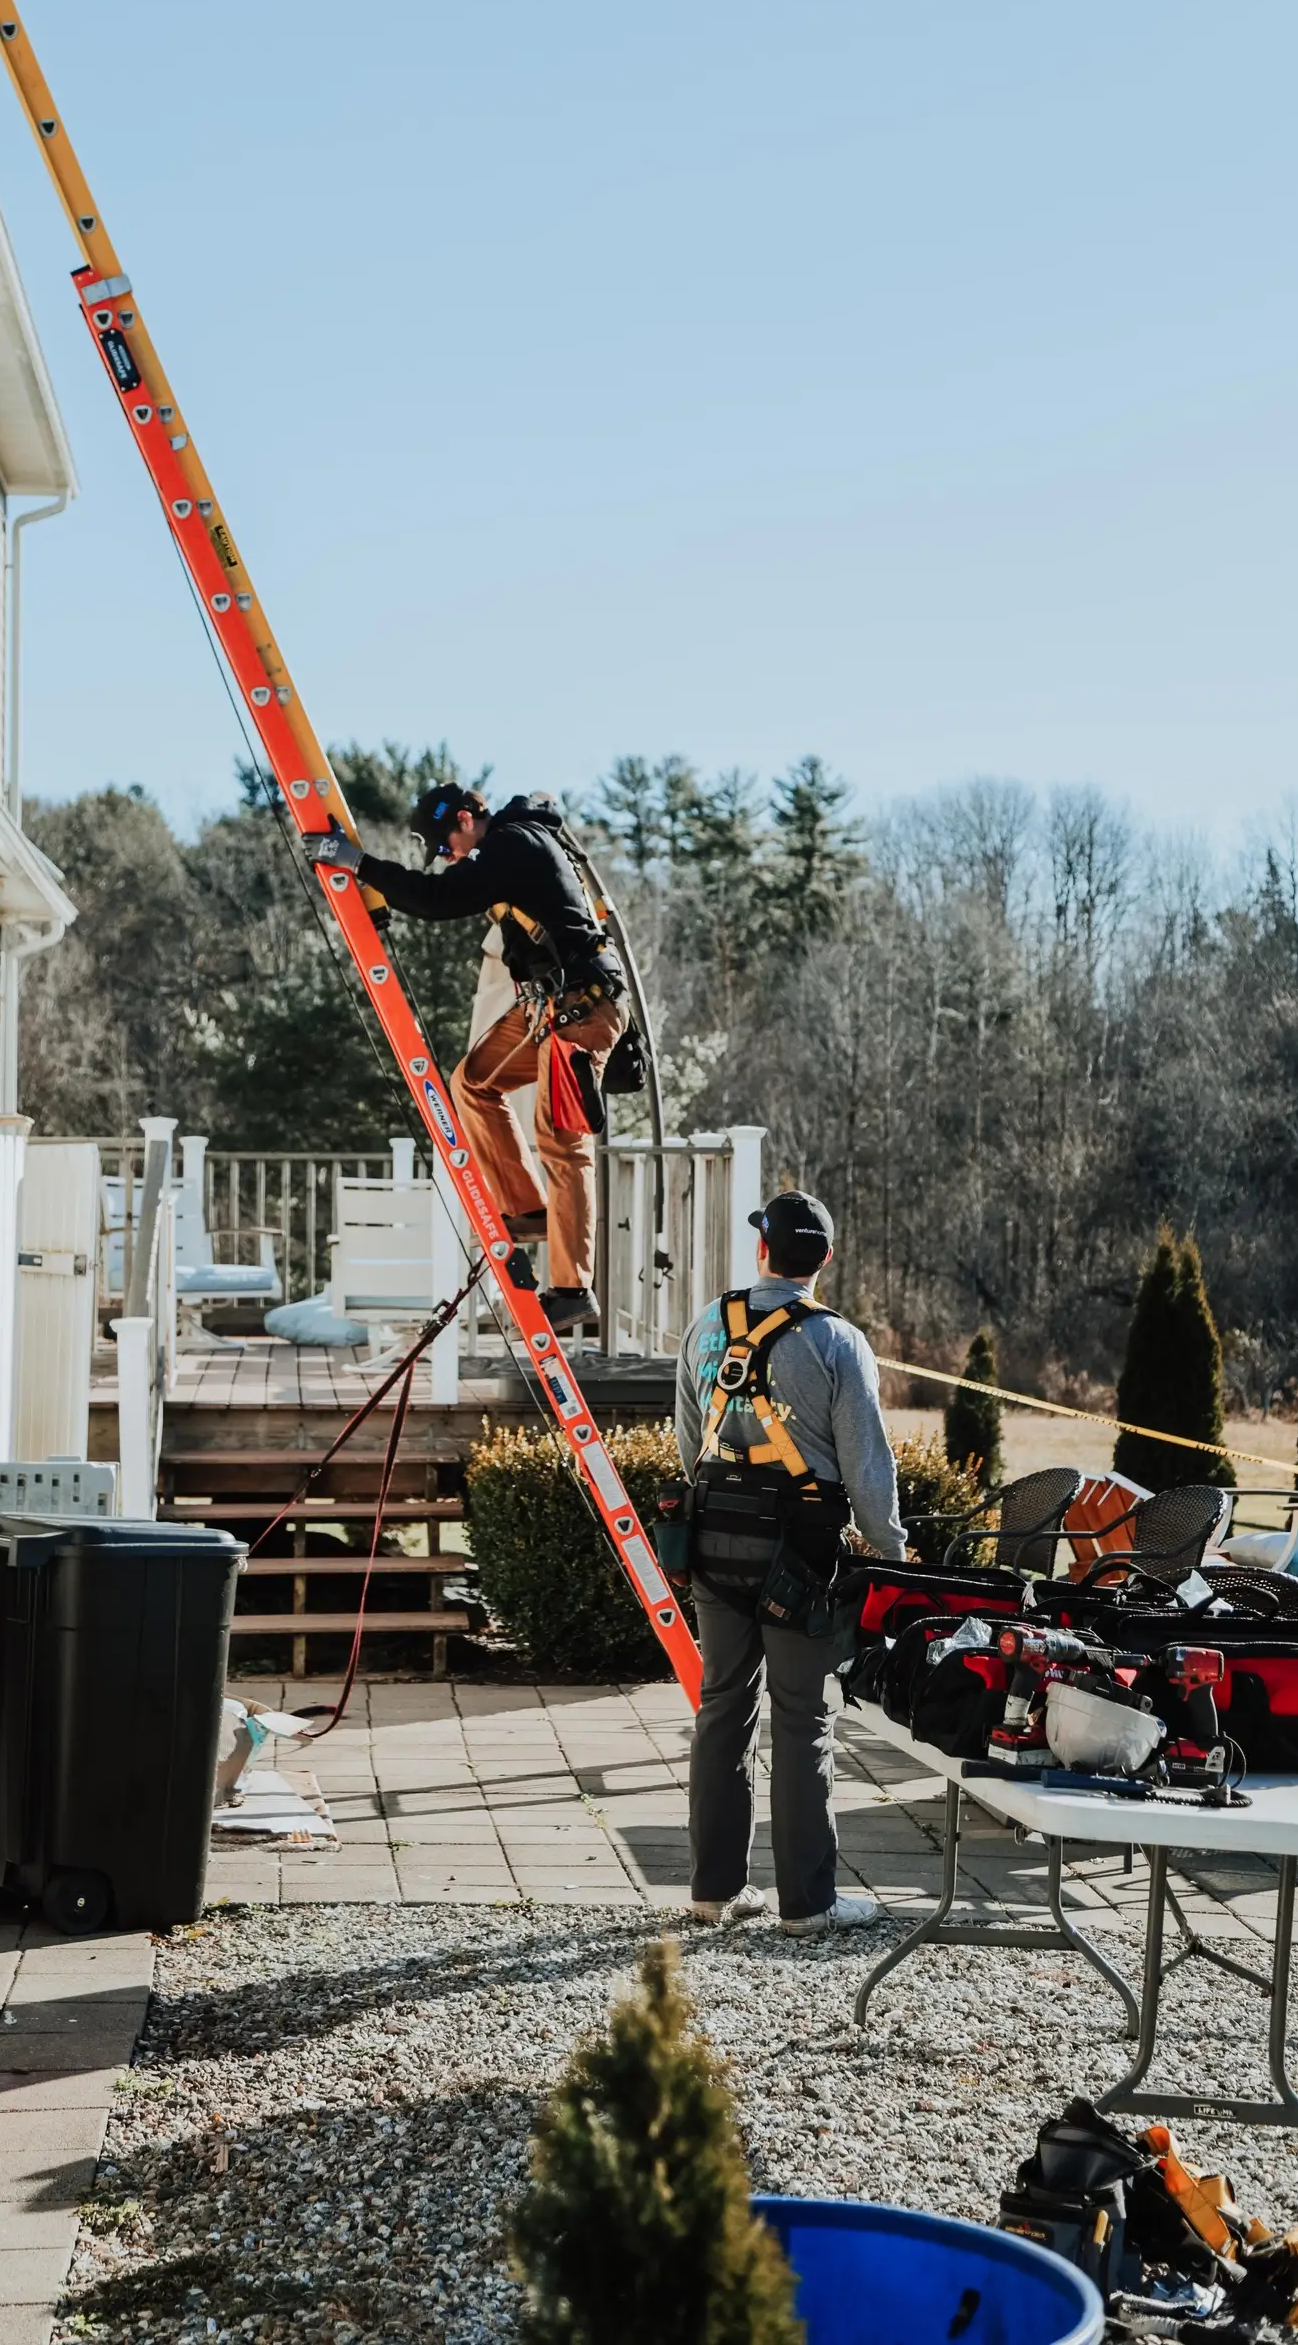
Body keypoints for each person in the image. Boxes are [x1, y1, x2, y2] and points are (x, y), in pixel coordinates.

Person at [671, 1188, 906, 1931]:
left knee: (721, 1708)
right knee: (801, 1718)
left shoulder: (707, 1323)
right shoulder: (837, 1342)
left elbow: (688, 1441)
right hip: (798, 1552)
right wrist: (892, 1549)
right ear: (824, 1259)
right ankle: (808, 1903)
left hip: (712, 1537)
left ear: (760, 1249)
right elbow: (866, 1463)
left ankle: (714, 1891)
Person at [315, 784, 628, 1331]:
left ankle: (573, 1288)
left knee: (563, 1141)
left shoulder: (513, 842)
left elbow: (437, 899)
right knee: (474, 1083)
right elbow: (443, 892)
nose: (449, 856)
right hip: (551, 1009)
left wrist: (360, 864)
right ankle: (527, 1208)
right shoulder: (508, 849)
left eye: (448, 844)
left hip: (582, 1008)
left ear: (467, 818)